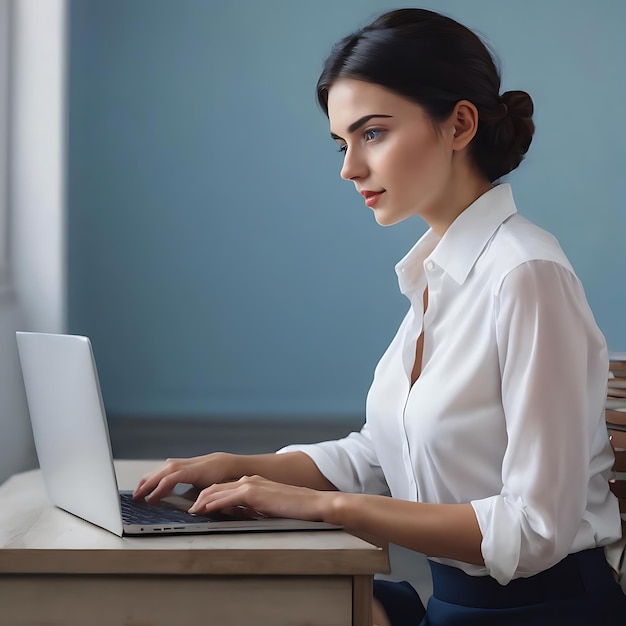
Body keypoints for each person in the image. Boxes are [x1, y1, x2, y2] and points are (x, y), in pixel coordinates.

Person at [133, 8, 626, 625]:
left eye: (373, 134)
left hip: (543, 611)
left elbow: (532, 529)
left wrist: (326, 509)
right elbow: (382, 453)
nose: (349, 168)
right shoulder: (438, 275)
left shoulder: (526, 276)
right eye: (343, 143)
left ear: (460, 124)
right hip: (455, 603)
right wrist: (243, 468)